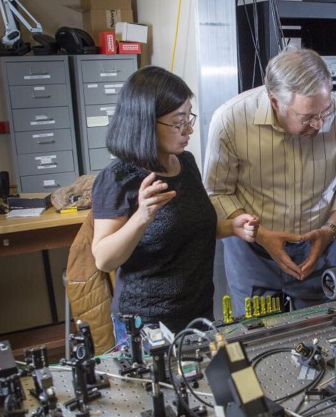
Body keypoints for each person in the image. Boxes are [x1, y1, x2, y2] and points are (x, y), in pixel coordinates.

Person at [91, 66, 258, 339]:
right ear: (145, 121)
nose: (188, 129)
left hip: (197, 311)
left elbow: (186, 227)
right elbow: (105, 259)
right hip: (147, 322)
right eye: (178, 121)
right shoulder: (119, 178)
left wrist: (230, 227)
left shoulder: (186, 163)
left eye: (188, 117)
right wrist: (142, 216)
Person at [204, 47, 336, 315]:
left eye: (324, 112)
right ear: (274, 101)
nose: (319, 124)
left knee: (322, 331)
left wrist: (329, 229)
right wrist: (261, 234)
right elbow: (217, 191)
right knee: (258, 337)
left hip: (317, 248)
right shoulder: (231, 120)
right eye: (307, 117)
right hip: (252, 253)